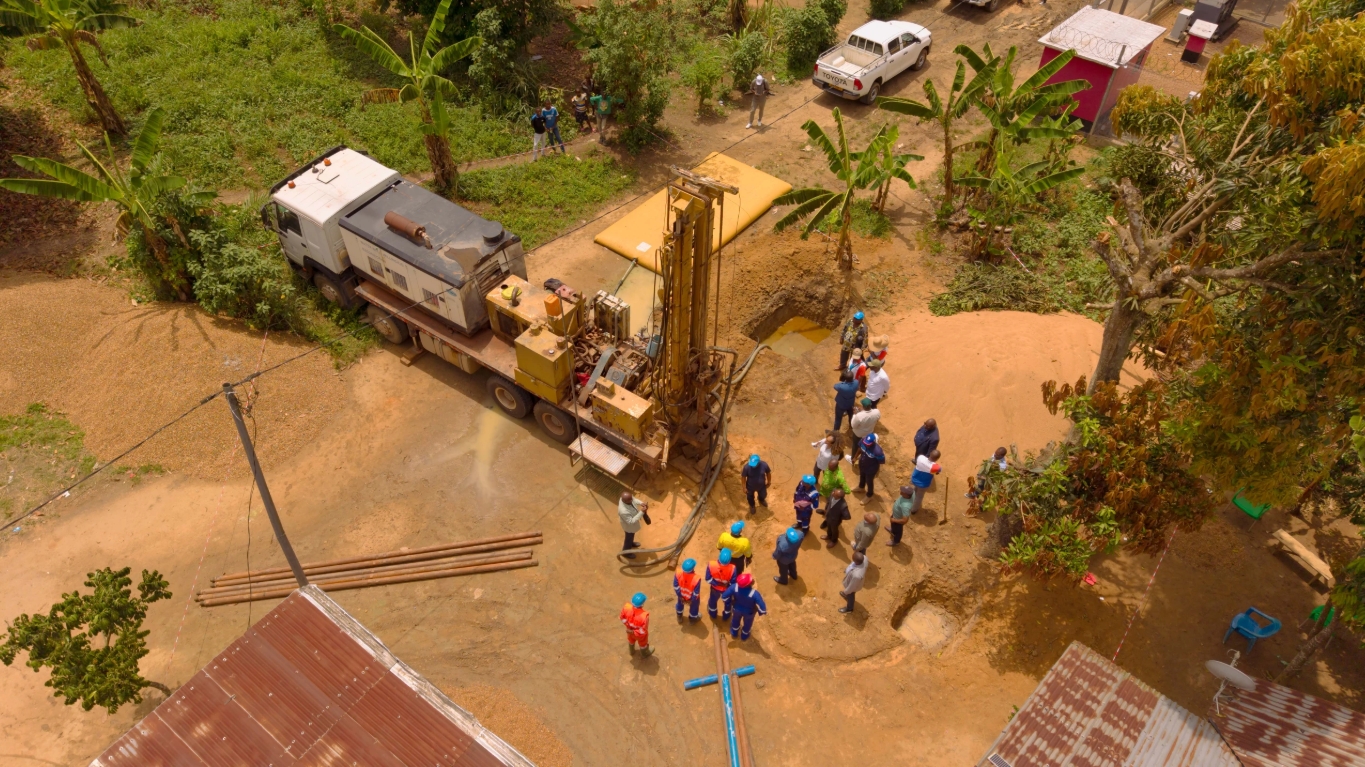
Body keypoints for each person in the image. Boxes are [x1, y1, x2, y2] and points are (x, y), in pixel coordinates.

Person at [722, 573, 767, 640]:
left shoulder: (734, 587)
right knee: (747, 624)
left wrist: (730, 602)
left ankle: (734, 633)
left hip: (736, 609)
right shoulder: (755, 594)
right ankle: (744, 636)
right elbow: (763, 609)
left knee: (735, 621)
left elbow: (724, 597)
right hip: (749, 613)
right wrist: (760, 612)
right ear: (749, 584)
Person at [706, 549, 737, 619]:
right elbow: (733, 583)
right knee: (728, 603)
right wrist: (725, 585)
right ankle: (726, 616)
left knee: (712, 601)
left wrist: (716, 584)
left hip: (714, 589)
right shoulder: (733, 568)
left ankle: (713, 614)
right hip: (726, 591)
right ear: (730, 559)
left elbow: (708, 579)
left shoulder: (711, 564)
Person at [618, 491, 651, 559]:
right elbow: (631, 522)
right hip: (629, 526)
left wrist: (641, 503)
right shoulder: (623, 511)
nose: (632, 500)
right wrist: (641, 512)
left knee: (631, 535)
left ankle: (631, 543)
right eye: (630, 500)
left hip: (632, 525)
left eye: (631, 499)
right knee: (629, 537)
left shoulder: (628, 498)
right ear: (625, 501)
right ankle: (626, 552)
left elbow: (634, 500)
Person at [910, 448, 942, 516]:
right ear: (937, 459)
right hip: (923, 484)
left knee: (912, 491)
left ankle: (908, 502)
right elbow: (938, 470)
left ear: (930, 454)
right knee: (919, 497)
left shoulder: (920, 458)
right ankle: (913, 510)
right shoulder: (935, 467)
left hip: (914, 479)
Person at [621, 592, 653, 656]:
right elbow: (643, 631)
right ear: (642, 604)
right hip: (639, 635)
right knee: (643, 643)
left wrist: (628, 626)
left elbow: (622, 618)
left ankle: (631, 651)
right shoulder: (644, 616)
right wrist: (634, 632)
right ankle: (644, 654)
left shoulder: (626, 608)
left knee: (631, 640)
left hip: (629, 630)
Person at [856, 433, 886, 498]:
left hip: (871, 469)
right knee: (862, 476)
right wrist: (855, 457)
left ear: (873, 442)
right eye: (865, 443)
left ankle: (869, 495)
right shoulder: (862, 441)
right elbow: (859, 449)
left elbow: (881, 462)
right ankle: (861, 487)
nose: (866, 445)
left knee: (869, 481)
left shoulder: (878, 451)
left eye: (868, 444)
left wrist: (876, 470)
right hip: (862, 463)